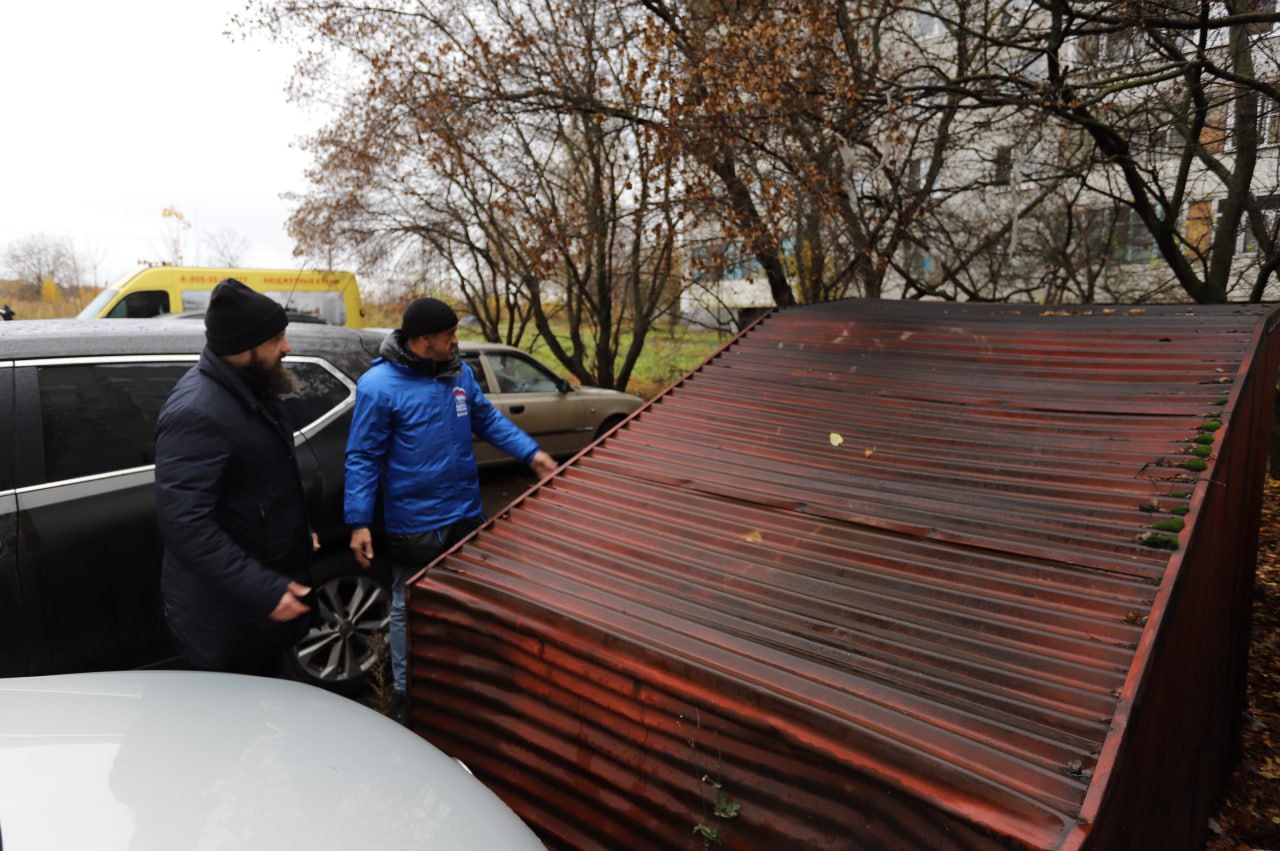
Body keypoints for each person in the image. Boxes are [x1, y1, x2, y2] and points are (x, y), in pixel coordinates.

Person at [345, 298, 557, 718]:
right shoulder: (380, 387)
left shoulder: (458, 374)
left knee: (465, 596)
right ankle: (406, 688)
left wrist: (530, 454)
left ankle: (460, 676)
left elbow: (486, 419)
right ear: (423, 340)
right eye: (449, 335)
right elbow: (363, 456)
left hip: (465, 512)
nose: (455, 341)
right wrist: (359, 521)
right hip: (416, 521)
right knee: (408, 603)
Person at [154, 279, 315, 676]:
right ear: (245, 347)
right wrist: (265, 590)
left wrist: (295, 529)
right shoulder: (198, 412)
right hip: (225, 619)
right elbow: (186, 526)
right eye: (278, 338)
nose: (287, 348)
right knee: (230, 729)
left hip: (253, 607)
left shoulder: (252, 388)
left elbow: (258, 483)